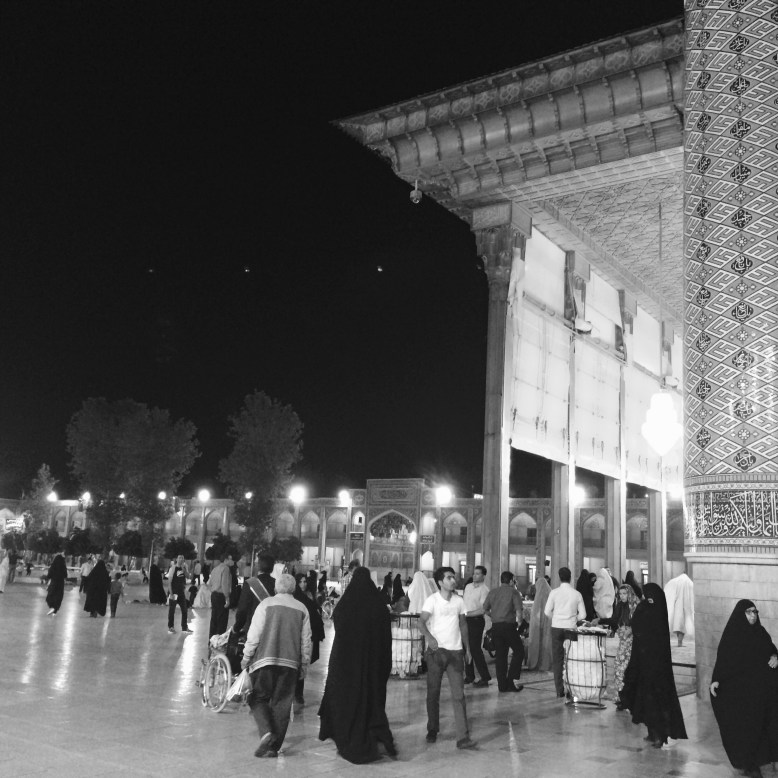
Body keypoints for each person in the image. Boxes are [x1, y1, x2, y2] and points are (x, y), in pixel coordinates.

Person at [318, 566, 395, 761]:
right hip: (373, 664)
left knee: (348, 698)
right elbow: (386, 636)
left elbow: (339, 625)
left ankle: (347, 732)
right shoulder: (378, 605)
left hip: (347, 664)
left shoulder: (346, 604)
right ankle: (374, 732)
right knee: (371, 698)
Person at [242, 573, 312, 759]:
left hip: (265, 661)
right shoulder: (302, 608)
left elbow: (254, 635)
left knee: (257, 697)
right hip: (291, 664)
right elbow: (306, 641)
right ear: (294, 589)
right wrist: (304, 663)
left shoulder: (265, 605)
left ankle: (266, 732)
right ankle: (273, 747)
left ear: (276, 588)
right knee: (282, 704)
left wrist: (246, 656)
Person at [710, 600, 778, 778]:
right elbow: (723, 660)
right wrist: (716, 680)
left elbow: (771, 650)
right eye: (749, 612)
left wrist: (775, 656)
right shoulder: (732, 635)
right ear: (741, 614)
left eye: (755, 612)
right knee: (745, 729)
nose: (753, 615)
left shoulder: (760, 633)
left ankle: (760, 762)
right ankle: (749, 764)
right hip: (740, 694)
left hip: (760, 692)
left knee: (760, 727)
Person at [620, 582, 687, 749]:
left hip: (657, 666)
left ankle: (659, 735)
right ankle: (652, 733)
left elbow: (648, 629)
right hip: (643, 663)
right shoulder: (647, 607)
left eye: (650, 598)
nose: (647, 600)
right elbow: (637, 625)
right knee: (645, 699)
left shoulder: (656, 612)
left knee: (657, 701)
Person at [418, 566, 476, 750]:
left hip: (455, 653)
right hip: (436, 654)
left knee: (459, 695)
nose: (453, 580)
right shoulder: (432, 601)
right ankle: (432, 729)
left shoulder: (459, 601)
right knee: (433, 693)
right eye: (449, 578)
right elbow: (420, 622)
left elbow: (463, 625)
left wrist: (467, 649)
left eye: (454, 577)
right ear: (440, 582)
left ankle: (462, 737)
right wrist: (429, 637)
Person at [544, 567, 586, 698]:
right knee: (571, 659)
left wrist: (556, 619)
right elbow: (583, 614)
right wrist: (573, 619)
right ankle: (571, 689)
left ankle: (559, 690)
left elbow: (546, 612)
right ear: (571, 577)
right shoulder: (576, 594)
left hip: (556, 627)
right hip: (571, 628)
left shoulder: (554, 593)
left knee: (558, 659)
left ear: (558, 577)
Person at [597, 584, 639, 709]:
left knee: (627, 668)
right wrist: (600, 621)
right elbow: (614, 620)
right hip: (623, 640)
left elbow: (639, 622)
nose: (622, 596)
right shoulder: (620, 605)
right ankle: (621, 697)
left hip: (633, 642)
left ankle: (629, 698)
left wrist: (631, 629)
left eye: (624, 594)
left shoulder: (635, 606)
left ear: (629, 593)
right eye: (620, 594)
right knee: (618, 667)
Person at [483, 570, 524, 693]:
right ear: (511, 581)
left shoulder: (493, 592)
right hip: (509, 626)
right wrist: (520, 623)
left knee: (501, 656)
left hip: (496, 626)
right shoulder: (514, 592)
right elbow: (518, 611)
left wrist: (494, 616)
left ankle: (502, 686)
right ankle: (511, 681)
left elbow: (484, 609)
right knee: (519, 651)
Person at [293, 572, 325, 705]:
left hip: (305, 634)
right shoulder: (296, 597)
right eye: (300, 581)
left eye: (305, 581)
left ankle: (298, 694)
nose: (303, 584)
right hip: (295, 634)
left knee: (301, 663)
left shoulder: (309, 596)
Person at [233, 553, 275, 636]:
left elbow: (243, 610)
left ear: (258, 566)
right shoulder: (277, 584)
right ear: (272, 568)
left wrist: (236, 627)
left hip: (253, 629)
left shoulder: (250, 583)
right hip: (272, 629)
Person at [463, 565, 491, 687]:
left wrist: (468, 614)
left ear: (483, 576)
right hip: (465, 620)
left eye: (478, 573)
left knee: (475, 649)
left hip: (475, 620)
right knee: (465, 647)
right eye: (474, 573)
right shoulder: (468, 587)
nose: (475, 575)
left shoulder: (484, 590)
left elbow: (483, 609)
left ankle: (485, 677)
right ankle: (469, 675)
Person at [526, 575, 552, 671]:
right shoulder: (550, 594)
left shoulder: (538, 597)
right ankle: (545, 662)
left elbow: (536, 613)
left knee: (538, 641)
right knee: (545, 642)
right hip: (548, 623)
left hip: (539, 624)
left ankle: (537, 662)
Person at [664, 572, 694, 647]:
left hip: (676, 607)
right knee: (682, 625)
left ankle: (679, 642)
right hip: (685, 607)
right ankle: (680, 642)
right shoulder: (689, 582)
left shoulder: (674, 581)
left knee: (678, 624)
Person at [208, 553, 233, 638]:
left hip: (214, 595)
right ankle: (218, 642)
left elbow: (210, 583)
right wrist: (227, 599)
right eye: (230, 559)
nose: (232, 561)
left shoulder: (215, 569)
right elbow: (224, 585)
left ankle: (211, 640)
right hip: (221, 596)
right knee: (222, 621)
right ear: (226, 560)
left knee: (214, 619)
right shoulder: (226, 569)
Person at [167, 554, 191, 633]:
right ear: (177, 559)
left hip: (181, 593)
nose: (181, 559)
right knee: (172, 610)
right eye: (179, 558)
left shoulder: (184, 568)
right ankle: (171, 627)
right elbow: (169, 582)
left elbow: (188, 577)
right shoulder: (173, 568)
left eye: (182, 558)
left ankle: (184, 627)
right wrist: (171, 593)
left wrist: (185, 570)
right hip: (174, 593)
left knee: (184, 610)